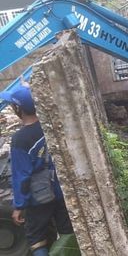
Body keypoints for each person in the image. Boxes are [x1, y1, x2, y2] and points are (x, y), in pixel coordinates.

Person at [0, 85, 74, 256]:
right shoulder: (50, 128)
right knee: (66, 232)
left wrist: (19, 206)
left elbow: (21, 176)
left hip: (38, 197)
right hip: (60, 190)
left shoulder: (20, 139)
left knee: (35, 238)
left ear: (18, 108)